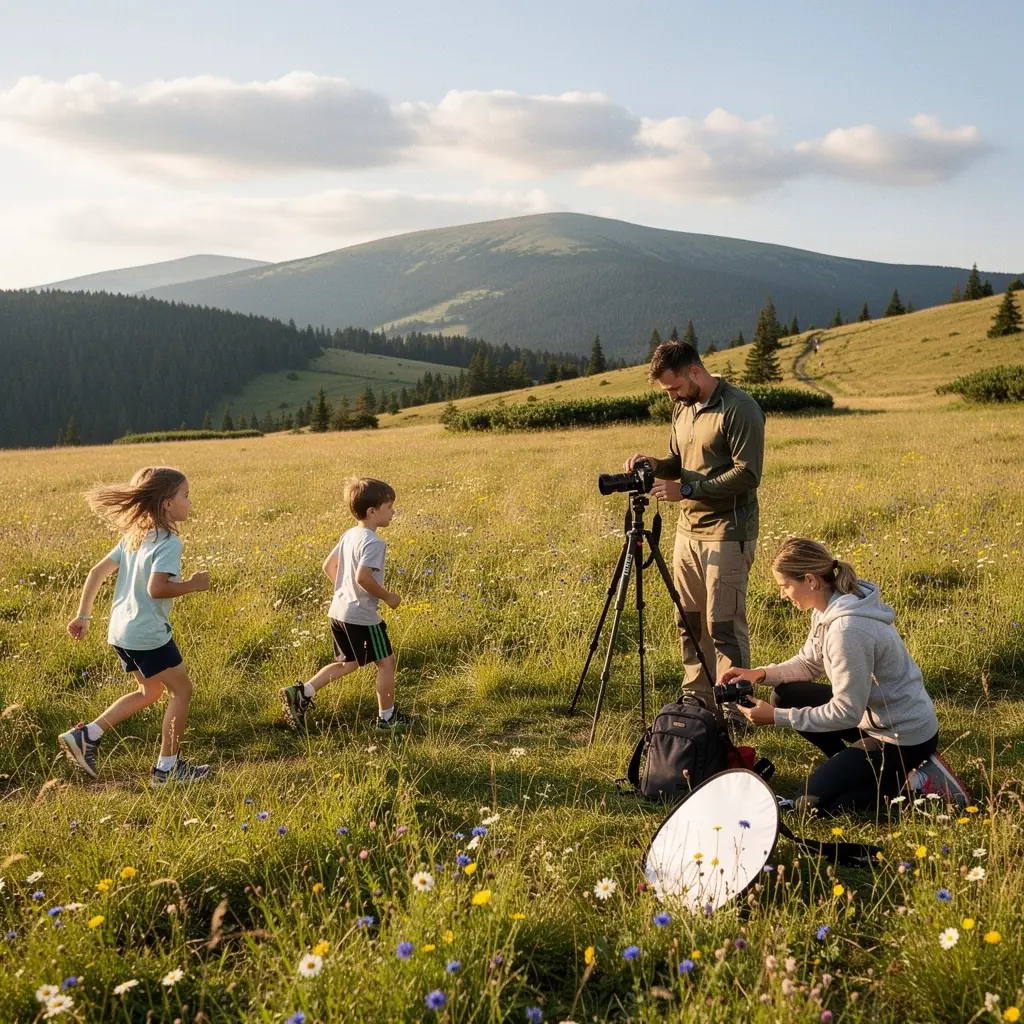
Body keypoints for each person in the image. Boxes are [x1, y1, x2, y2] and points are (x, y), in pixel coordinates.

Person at [722, 537, 941, 814]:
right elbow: (808, 664)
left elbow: (846, 713)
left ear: (810, 581)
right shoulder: (828, 607)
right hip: (871, 716)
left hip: (901, 738)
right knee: (785, 695)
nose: (782, 595)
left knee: (811, 806)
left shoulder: (848, 630)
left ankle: (917, 784)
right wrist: (760, 674)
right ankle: (853, 765)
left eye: (785, 586)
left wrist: (776, 717)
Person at [625, 340, 765, 718]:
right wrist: (654, 464)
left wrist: (686, 491)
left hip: (728, 532)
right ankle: (698, 702)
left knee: (723, 626)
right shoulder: (683, 408)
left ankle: (735, 711)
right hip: (687, 533)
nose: (671, 395)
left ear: (694, 371)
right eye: (666, 391)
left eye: (674, 387)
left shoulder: (739, 408)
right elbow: (679, 461)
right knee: (688, 621)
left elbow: (748, 474)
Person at [59, 467, 212, 786]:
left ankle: (87, 735)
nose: (190, 502)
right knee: (182, 691)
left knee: (150, 690)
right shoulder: (169, 542)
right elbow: (157, 589)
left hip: (121, 632)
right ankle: (168, 770)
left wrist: (83, 616)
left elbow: (96, 572)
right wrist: (193, 585)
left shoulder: (134, 536)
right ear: (167, 503)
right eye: (185, 495)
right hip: (147, 635)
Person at [280, 477, 408, 731]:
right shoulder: (374, 542)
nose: (393, 512)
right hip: (362, 616)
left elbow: (328, 566)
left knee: (348, 663)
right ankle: (387, 719)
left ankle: (302, 692)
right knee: (386, 663)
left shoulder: (350, 534)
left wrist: (344, 592)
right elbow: (363, 578)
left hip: (339, 611)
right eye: (389, 507)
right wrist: (387, 596)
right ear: (372, 512)